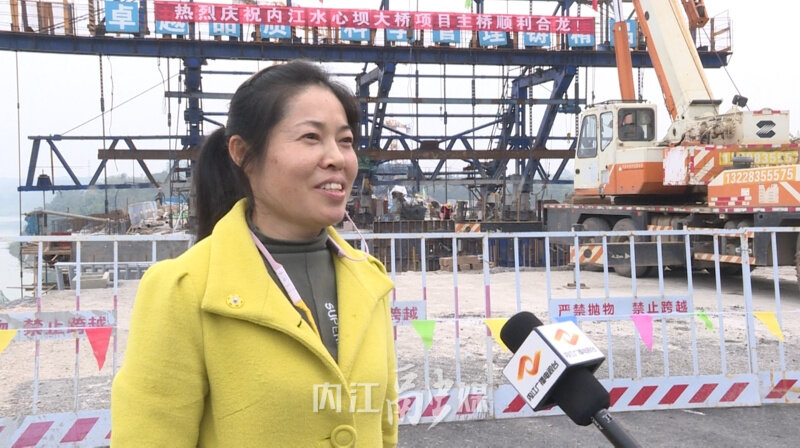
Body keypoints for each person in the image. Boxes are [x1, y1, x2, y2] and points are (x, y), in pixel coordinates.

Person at [111, 60, 398, 447]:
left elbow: (383, 430)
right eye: (311, 137)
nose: (337, 158)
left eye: (345, 141)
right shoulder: (185, 289)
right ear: (243, 153)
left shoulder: (370, 281)